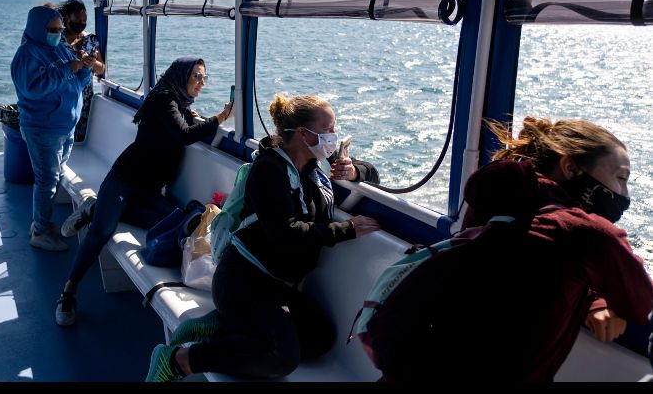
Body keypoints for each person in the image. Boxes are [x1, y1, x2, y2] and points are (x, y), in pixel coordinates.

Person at [144, 93, 381, 381]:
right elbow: (287, 235)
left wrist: (355, 170)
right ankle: (179, 360)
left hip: (277, 284)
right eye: (328, 129)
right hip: (243, 280)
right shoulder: (270, 170)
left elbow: (372, 173)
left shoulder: (314, 162)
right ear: (304, 134)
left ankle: (222, 326)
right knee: (281, 357)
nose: (334, 137)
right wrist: (348, 229)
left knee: (320, 338)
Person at [419, 116, 653, 382]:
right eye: (620, 178)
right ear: (569, 166)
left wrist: (591, 298)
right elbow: (641, 304)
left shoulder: (496, 199)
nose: (624, 194)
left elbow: (528, 273)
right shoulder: (588, 233)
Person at [55, 56, 234, 326]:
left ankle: (95, 208)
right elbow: (185, 134)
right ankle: (68, 291)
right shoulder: (163, 99)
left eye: (204, 78)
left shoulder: (180, 105)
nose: (201, 82)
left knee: (173, 221)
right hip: (125, 178)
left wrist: (202, 119)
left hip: (149, 190)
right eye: (196, 76)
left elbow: (190, 127)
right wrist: (221, 117)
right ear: (181, 75)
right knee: (102, 231)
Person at [10, 4, 95, 252]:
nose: (57, 33)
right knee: (47, 180)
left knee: (54, 177)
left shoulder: (59, 48)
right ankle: (39, 231)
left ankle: (43, 224)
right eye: (52, 29)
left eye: (60, 29)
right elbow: (33, 88)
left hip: (65, 126)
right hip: (42, 128)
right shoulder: (27, 54)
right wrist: (69, 68)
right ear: (38, 28)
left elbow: (77, 83)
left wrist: (85, 67)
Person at [58, 0, 106, 143]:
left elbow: (101, 68)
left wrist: (91, 62)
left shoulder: (91, 39)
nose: (81, 23)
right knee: (61, 139)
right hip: (63, 98)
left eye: (84, 20)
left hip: (85, 99)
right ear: (66, 18)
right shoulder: (57, 40)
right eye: (77, 20)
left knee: (80, 140)